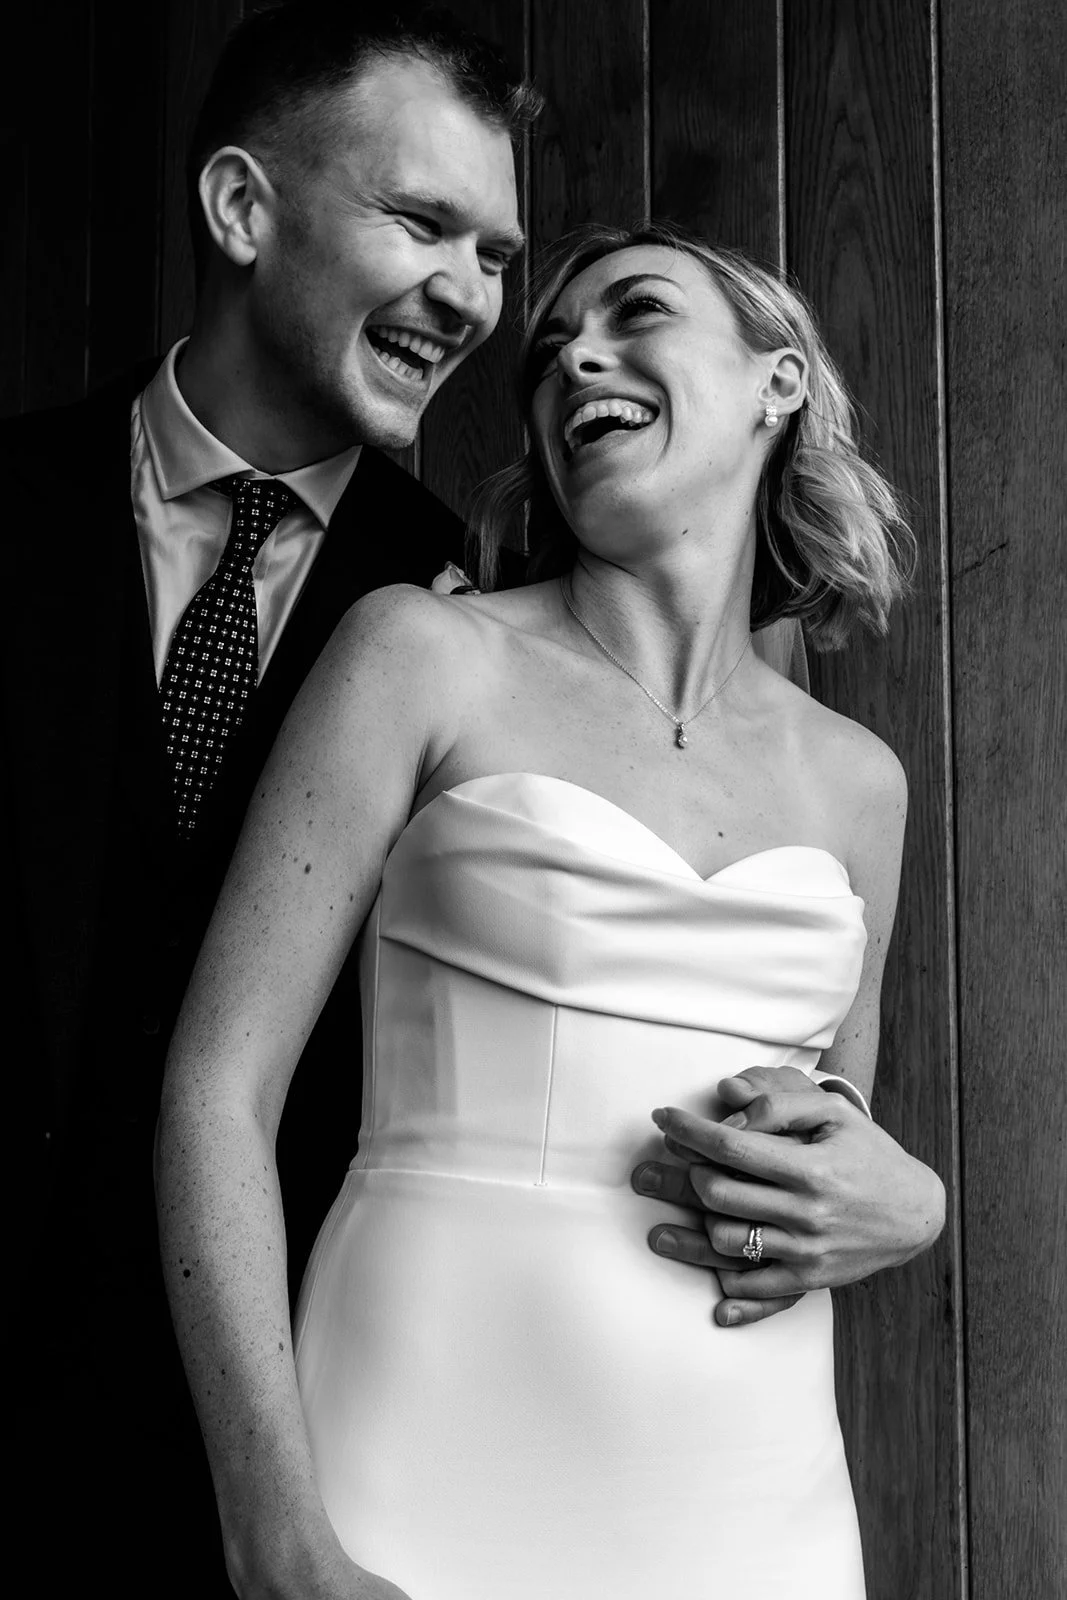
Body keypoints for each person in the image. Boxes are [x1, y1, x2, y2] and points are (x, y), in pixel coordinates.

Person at [156, 220, 946, 1599]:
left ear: (776, 382)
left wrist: (910, 1204)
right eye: (548, 352)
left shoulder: (857, 784)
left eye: (636, 314)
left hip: (751, 1488)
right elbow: (218, 1090)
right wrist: (274, 1532)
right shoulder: (420, 653)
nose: (576, 352)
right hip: (418, 1444)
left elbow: (817, 1151)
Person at [4, 4, 536, 1592]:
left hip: (294, 1460)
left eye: (498, 253)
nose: (471, 296)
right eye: (421, 220)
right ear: (243, 209)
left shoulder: (482, 610)